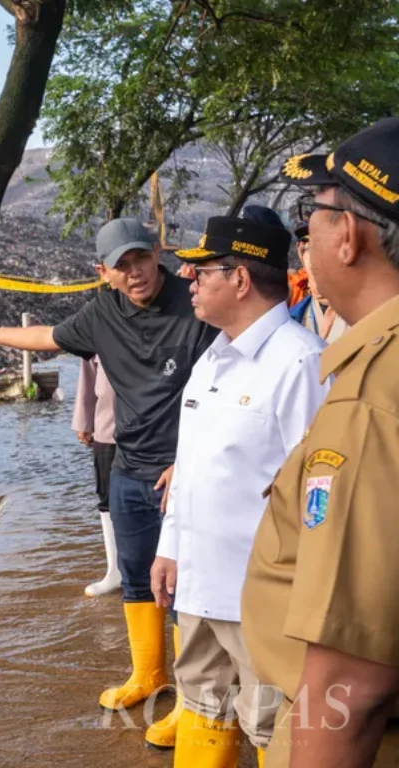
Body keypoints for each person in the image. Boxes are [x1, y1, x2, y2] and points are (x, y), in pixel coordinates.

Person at [0, 218, 218, 749]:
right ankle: (149, 675)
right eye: (121, 266)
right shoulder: (102, 313)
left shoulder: (195, 304)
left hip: (187, 470)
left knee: (190, 589)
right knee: (136, 577)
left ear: (157, 253)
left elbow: (232, 376)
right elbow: (49, 337)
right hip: (129, 467)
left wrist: (196, 459)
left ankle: (196, 704)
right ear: (104, 273)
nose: (135, 272)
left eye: (141, 259)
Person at [242, 116, 399, 768]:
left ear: (352, 237)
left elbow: (349, 687)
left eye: (315, 216)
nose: (305, 238)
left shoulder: (371, 394)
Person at [150, 215, 330, 765]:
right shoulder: (213, 358)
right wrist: (170, 545)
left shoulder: (301, 362)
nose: (188, 279)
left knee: (273, 730)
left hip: (263, 601)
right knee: (203, 710)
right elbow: (194, 463)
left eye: (202, 271)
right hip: (201, 587)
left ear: (241, 279)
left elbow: (321, 494)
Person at [71, 355, 120, 596]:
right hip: (107, 428)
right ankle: (115, 570)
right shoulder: (100, 322)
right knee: (107, 497)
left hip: (151, 430)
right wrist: (84, 420)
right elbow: (88, 370)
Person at [290, 222, 351, 341]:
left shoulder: (369, 312)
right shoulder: (294, 317)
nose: (318, 257)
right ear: (301, 253)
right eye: (310, 247)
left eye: (327, 246)